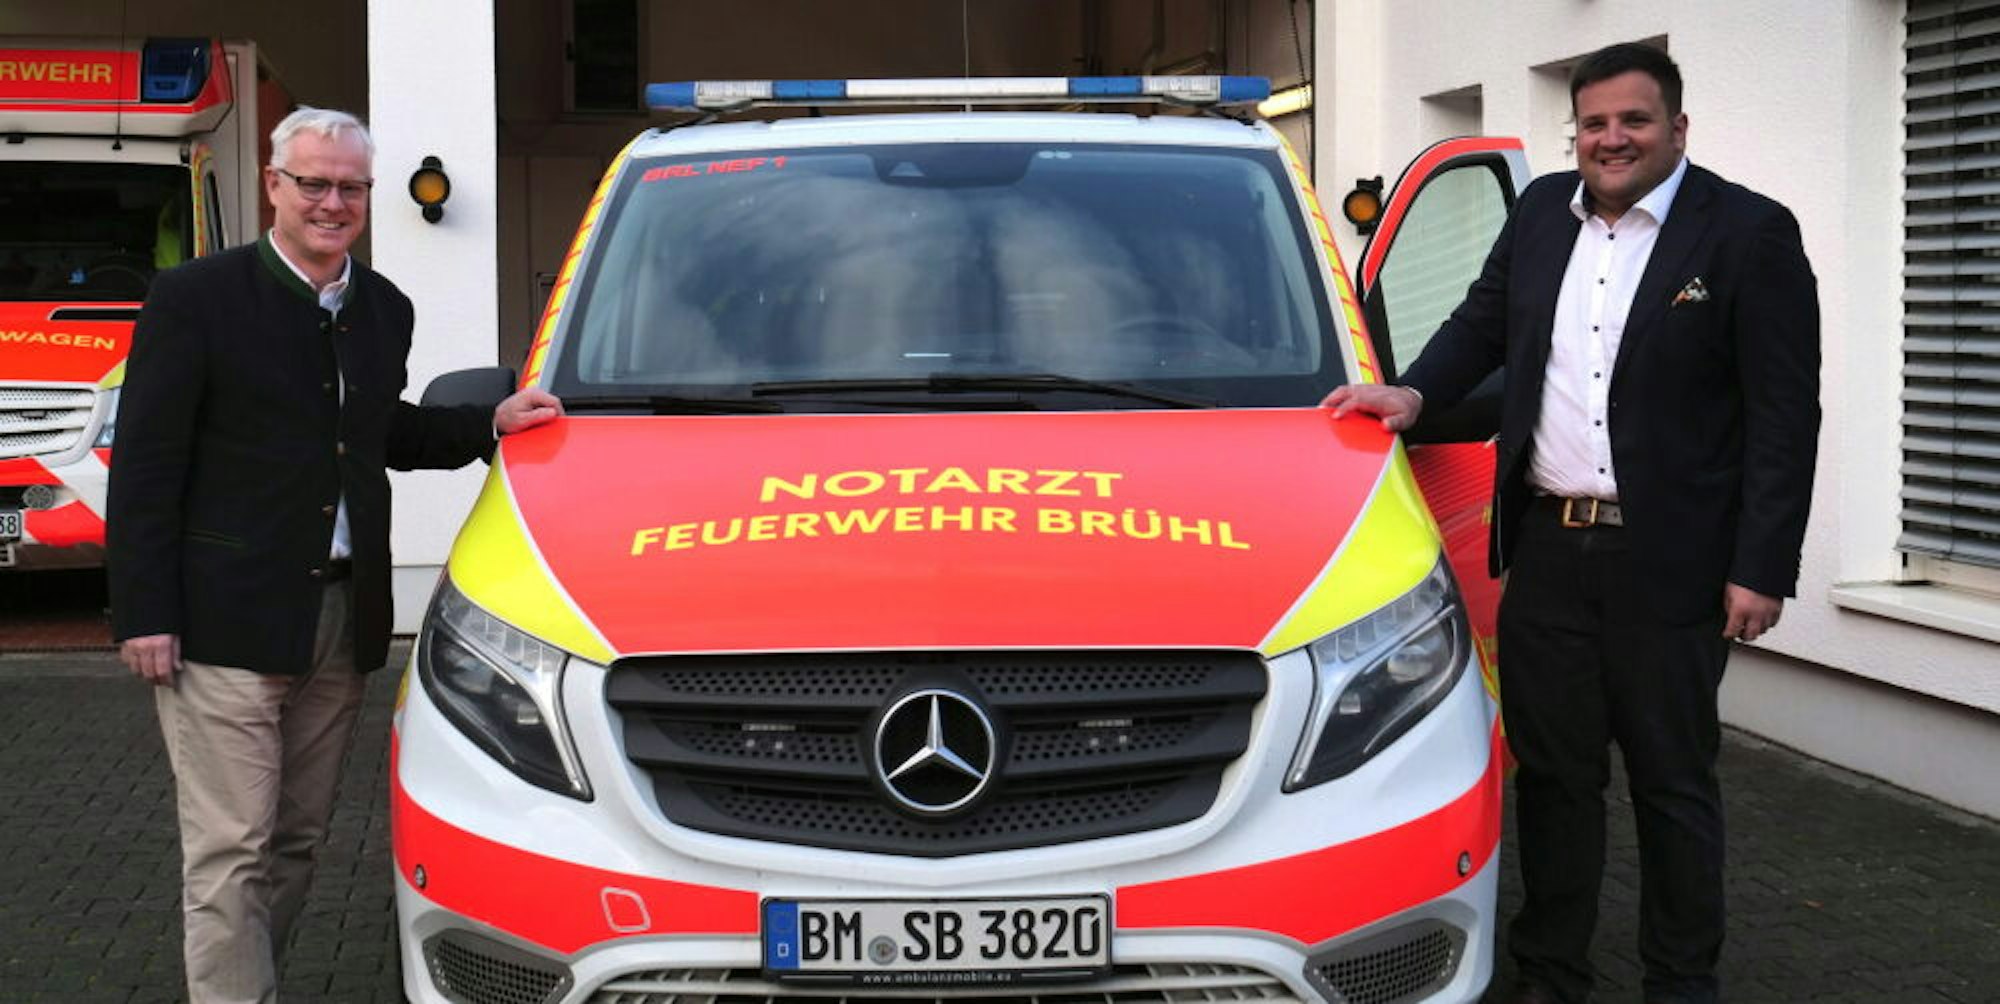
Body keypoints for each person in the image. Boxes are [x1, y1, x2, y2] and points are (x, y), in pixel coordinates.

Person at [1324, 44, 1819, 1004]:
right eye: (1594, 123)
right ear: (1577, 132)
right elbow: (1481, 323)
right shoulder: (1543, 213)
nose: (1611, 139)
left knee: (1672, 783)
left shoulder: (1747, 233)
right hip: (1548, 548)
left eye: (1634, 120)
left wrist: (1761, 566)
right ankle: (1552, 974)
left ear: (1678, 128)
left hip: (1672, 560)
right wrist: (1413, 395)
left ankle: (1681, 980)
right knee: (1553, 778)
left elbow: (1784, 417)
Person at [106, 106, 562, 1003]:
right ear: (273, 185)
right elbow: (148, 464)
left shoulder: (383, 308)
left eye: (351, 187)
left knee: (297, 842)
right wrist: (144, 614)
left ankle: (245, 982)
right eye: (313, 183)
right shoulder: (196, 298)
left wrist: (489, 424)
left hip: (341, 619)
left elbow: (378, 431)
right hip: (224, 620)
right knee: (232, 847)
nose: (332, 202)